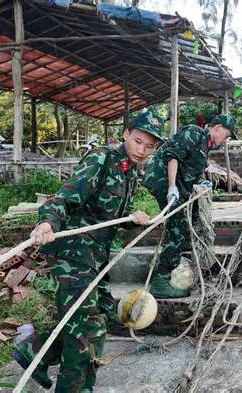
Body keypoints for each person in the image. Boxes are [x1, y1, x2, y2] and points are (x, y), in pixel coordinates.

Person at [13, 110, 165, 392]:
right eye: (138, 141)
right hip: (74, 253)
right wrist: (47, 222)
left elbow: (106, 214)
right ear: (126, 134)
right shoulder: (102, 158)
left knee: (103, 314)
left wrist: (133, 218)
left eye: (149, 146)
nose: (142, 150)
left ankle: (36, 351)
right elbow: (66, 196)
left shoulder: (131, 172)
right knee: (86, 328)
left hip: (95, 255)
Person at [142, 114, 237, 298]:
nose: (227, 140)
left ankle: (182, 251)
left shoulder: (205, 147)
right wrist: (171, 186)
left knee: (190, 220)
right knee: (176, 225)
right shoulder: (194, 133)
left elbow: (194, 172)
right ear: (216, 127)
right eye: (227, 135)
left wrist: (203, 183)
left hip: (179, 186)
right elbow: (173, 157)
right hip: (162, 178)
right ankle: (160, 280)